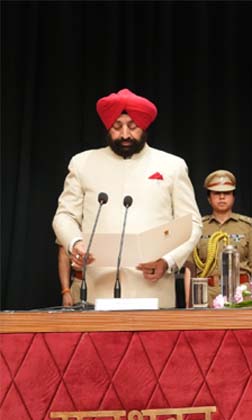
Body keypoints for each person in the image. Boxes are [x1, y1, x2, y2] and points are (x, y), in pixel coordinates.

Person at [52, 88, 202, 308]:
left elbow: (192, 224)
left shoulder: (172, 165)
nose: (124, 135)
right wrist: (75, 243)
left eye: (133, 127)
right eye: (117, 126)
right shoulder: (83, 163)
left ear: (144, 127)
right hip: (95, 291)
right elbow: (64, 216)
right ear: (108, 127)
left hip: (153, 291)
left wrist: (167, 261)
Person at [184, 169, 252, 305]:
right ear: (209, 198)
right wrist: (188, 303)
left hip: (242, 294)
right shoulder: (198, 228)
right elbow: (189, 268)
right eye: (216, 193)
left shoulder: (247, 226)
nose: (222, 197)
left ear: (233, 197)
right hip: (207, 295)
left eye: (227, 193)